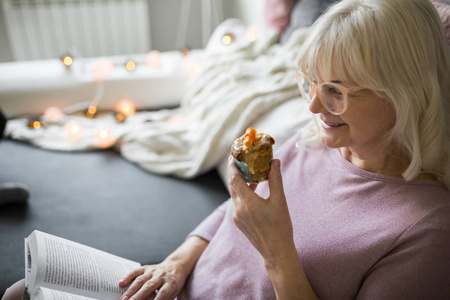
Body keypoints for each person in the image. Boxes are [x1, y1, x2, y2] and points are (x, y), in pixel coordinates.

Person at [3, 0, 450, 299]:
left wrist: (279, 254)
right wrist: (174, 264)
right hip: (182, 289)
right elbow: (232, 211)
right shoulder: (313, 143)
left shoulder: (427, 232)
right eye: (310, 82)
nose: (313, 105)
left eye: (335, 90)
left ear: (404, 93)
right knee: (25, 291)